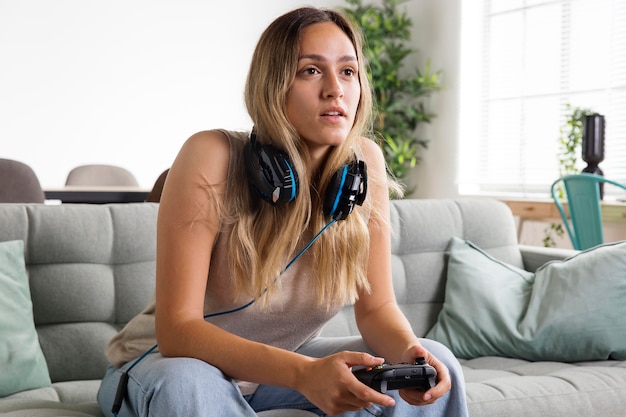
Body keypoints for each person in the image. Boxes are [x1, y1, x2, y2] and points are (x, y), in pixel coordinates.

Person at [97, 6, 469, 417]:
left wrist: (412, 355)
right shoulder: (211, 156)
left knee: (435, 362)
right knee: (189, 382)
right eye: (311, 70)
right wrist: (303, 374)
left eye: (348, 72)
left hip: (283, 363)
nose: (335, 89)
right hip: (167, 366)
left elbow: (377, 309)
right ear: (274, 85)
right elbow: (177, 331)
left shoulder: (365, 165)